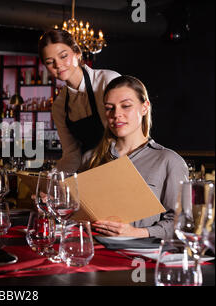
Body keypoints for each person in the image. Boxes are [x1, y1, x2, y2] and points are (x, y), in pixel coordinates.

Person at [80, 75, 188, 239]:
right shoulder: (91, 158)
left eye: (126, 106)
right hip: (93, 252)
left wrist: (138, 233)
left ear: (144, 107)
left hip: (141, 257)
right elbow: (77, 212)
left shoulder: (169, 161)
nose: (117, 114)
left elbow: (182, 222)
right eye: (110, 108)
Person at [38, 29, 120, 172]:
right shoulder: (59, 106)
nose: (58, 65)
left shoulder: (108, 81)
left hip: (123, 167)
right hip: (90, 175)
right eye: (50, 62)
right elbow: (72, 155)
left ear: (77, 53)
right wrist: (55, 180)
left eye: (63, 56)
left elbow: (130, 138)